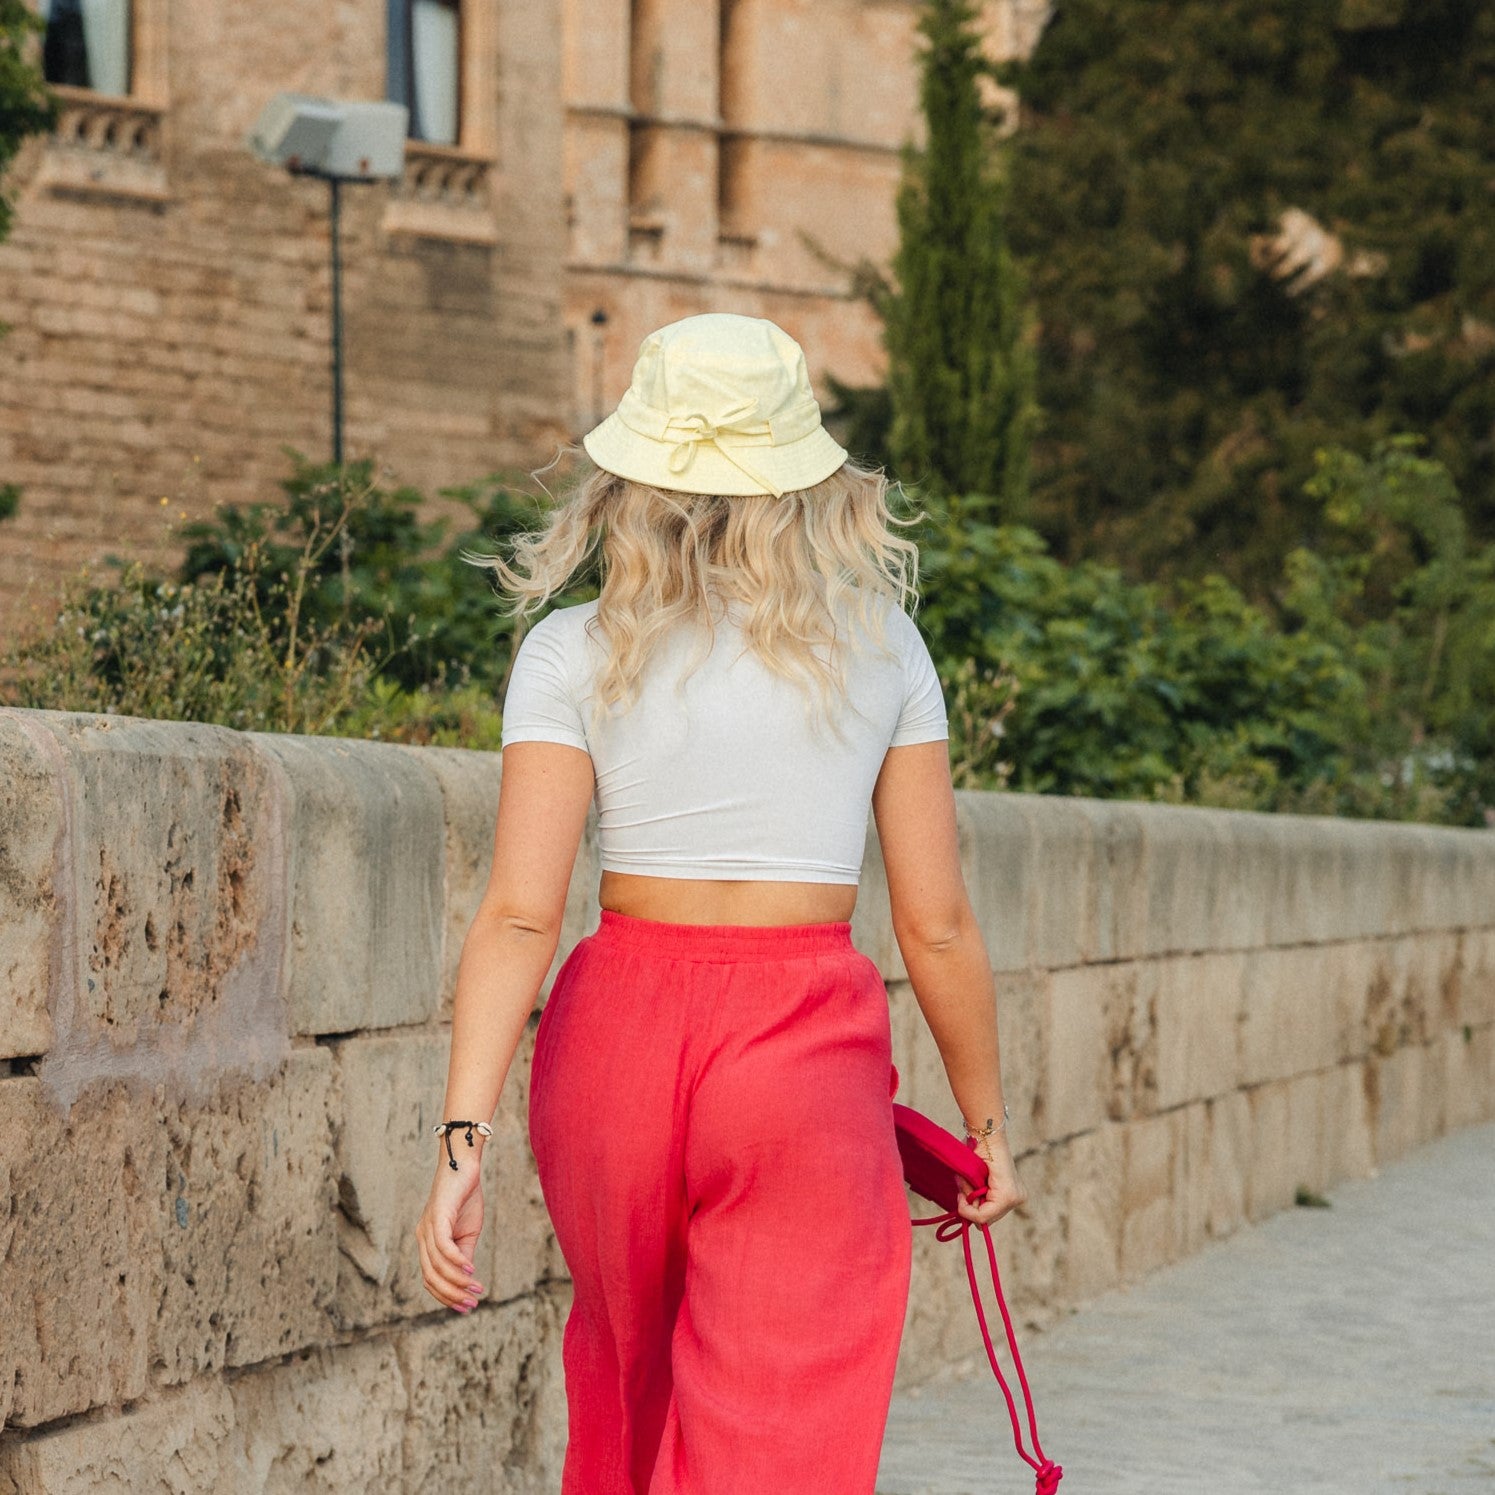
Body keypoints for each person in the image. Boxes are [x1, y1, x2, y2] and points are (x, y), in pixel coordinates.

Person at [416, 312, 1026, 1494]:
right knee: (780, 1421)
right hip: (801, 1050)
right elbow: (935, 922)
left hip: (613, 1043)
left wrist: (460, 1139)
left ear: (632, 476)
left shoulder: (568, 650)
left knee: (625, 1391)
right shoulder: (885, 649)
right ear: (809, 482)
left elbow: (519, 918)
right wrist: (987, 1127)